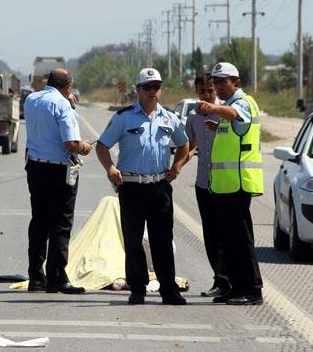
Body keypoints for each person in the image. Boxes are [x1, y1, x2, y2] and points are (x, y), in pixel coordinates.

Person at [96, 68, 189, 306]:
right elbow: (102, 145)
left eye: (156, 87)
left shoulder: (169, 117)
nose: (152, 92)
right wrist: (110, 169)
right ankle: (137, 289)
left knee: (162, 241)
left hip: (159, 187)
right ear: (137, 90)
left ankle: (169, 290)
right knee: (134, 241)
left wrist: (177, 167)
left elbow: (184, 144)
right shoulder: (124, 117)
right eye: (147, 87)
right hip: (132, 187)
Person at [197, 62, 264, 306]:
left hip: (237, 184)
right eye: (214, 82)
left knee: (241, 240)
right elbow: (234, 128)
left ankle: (252, 290)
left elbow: (237, 116)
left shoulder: (242, 103)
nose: (217, 85)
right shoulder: (228, 107)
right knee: (229, 241)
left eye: (222, 81)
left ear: (236, 82)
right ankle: (236, 288)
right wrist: (218, 124)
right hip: (225, 187)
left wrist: (212, 108)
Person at [23, 68, 93, 294]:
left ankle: (36, 276)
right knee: (61, 224)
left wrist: (67, 102)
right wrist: (85, 146)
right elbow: (71, 143)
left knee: (39, 221)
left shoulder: (31, 99)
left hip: (35, 167)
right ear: (68, 87)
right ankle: (57, 277)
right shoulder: (62, 105)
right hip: (59, 170)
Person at [180, 73, 229, 298]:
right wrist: (176, 167)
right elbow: (191, 147)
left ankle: (229, 279)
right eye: (202, 92)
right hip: (203, 183)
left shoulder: (226, 114)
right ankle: (219, 280)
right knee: (210, 234)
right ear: (196, 93)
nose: (207, 96)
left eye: (210, 91)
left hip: (225, 184)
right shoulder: (193, 117)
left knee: (225, 233)